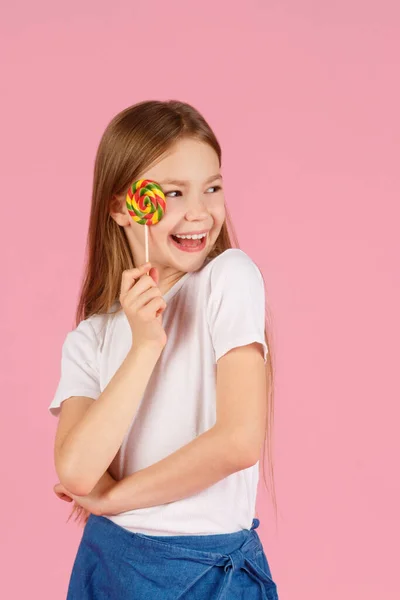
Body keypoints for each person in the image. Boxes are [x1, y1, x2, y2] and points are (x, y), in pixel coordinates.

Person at [48, 100, 279, 599]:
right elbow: (77, 471)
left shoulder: (230, 278)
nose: (200, 212)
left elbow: (239, 441)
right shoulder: (91, 336)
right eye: (173, 193)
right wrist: (145, 345)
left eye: (212, 188)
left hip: (204, 573)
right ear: (122, 206)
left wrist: (113, 499)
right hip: (107, 562)